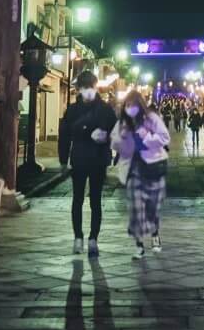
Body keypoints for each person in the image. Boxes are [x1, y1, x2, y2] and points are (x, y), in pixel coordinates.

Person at [58, 70, 117, 258]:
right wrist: (63, 161)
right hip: (79, 159)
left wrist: (106, 138)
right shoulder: (72, 110)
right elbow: (64, 136)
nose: (88, 91)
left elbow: (117, 133)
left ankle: (93, 239)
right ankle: (78, 237)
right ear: (79, 89)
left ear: (95, 86)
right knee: (77, 199)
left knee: (95, 201)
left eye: (90, 87)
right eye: (84, 87)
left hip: (98, 159)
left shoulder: (105, 109)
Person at [112, 90, 170, 258]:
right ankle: (139, 245)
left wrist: (147, 137)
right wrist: (121, 139)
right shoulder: (123, 122)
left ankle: (155, 234)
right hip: (133, 170)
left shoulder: (151, 119)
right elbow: (114, 141)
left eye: (133, 105)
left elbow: (164, 137)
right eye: (127, 105)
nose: (130, 108)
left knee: (152, 208)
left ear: (140, 105)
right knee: (135, 209)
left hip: (152, 168)